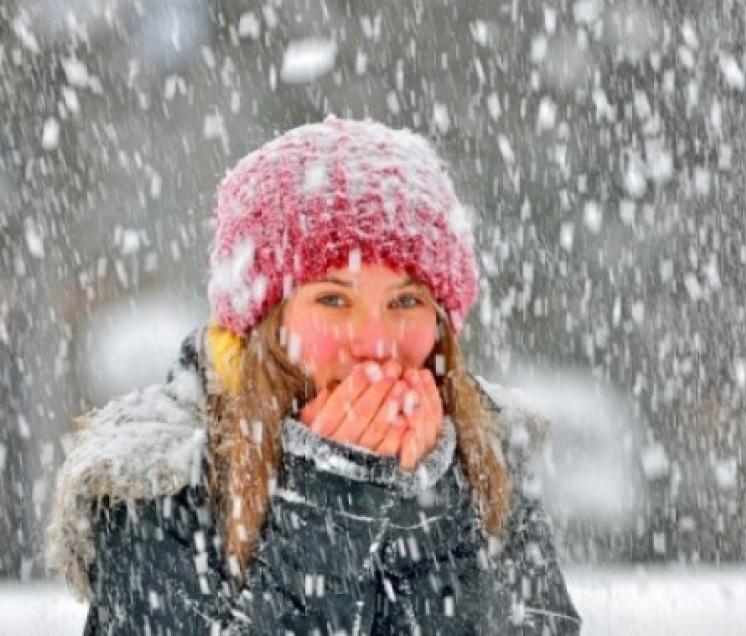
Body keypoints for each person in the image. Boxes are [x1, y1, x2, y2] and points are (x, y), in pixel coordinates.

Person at [44, 118, 582, 634]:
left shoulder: (485, 450)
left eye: (406, 300)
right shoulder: (160, 478)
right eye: (332, 299)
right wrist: (332, 501)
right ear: (262, 323)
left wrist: (430, 500)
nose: (375, 343)